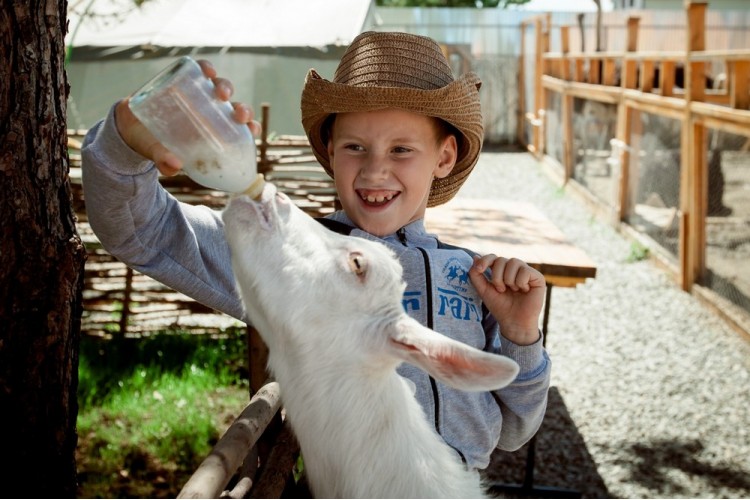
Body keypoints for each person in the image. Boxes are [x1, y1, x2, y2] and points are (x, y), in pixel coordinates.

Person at [81, 31, 550, 473]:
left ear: (444, 157)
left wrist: (520, 332)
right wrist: (123, 146)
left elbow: (513, 430)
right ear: (329, 149)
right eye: (355, 147)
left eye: (402, 149)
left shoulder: (471, 276)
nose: (375, 170)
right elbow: (145, 232)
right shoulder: (290, 257)